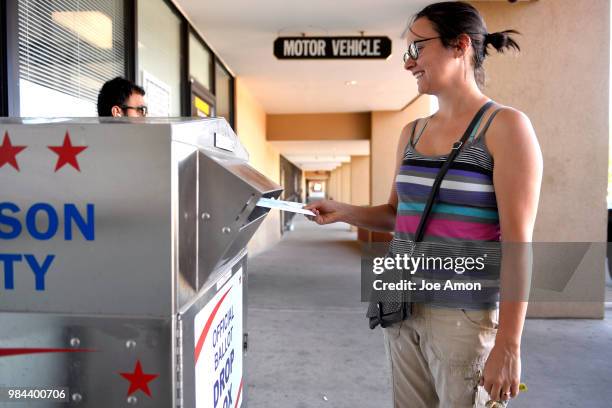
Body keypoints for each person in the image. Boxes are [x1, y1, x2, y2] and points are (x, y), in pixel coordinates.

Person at [305, 2, 542, 407]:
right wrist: (343, 210)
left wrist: (509, 344)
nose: (407, 63)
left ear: (459, 45)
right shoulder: (411, 133)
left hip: (463, 318)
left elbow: (517, 245)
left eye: (416, 49)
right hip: (402, 304)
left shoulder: (505, 128)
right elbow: (397, 215)